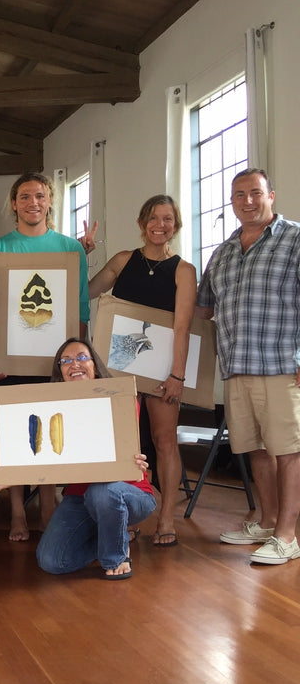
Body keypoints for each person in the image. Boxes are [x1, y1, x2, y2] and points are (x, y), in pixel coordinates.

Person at [0, 338, 156, 579]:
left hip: (127, 492)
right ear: (59, 371)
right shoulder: (53, 407)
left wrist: (134, 460)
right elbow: (44, 460)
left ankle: (116, 555)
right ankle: (111, 536)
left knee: (102, 493)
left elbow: (121, 455)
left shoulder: (119, 398)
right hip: (80, 497)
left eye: (82, 357)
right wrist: (3, 480)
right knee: (52, 560)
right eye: (66, 361)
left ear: (94, 365)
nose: (75, 364)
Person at [0, 171, 91, 541]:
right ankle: (16, 514)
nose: (33, 203)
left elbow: (79, 309)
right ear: (14, 203)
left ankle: (48, 509)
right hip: (9, 361)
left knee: (51, 430)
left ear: (50, 202)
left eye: (40, 196)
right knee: (16, 433)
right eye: (25, 197)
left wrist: (83, 362)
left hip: (57, 360)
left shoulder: (70, 249)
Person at [197, 168, 300, 565]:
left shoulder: (294, 239)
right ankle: (267, 521)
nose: (248, 201)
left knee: (289, 451)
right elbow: (202, 310)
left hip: (282, 365)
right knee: (256, 449)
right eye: (239, 195)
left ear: (271, 195)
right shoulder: (221, 253)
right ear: (232, 201)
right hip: (236, 368)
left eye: (255, 193)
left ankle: (288, 537)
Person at [89, 195, 197, 547]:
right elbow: (85, 291)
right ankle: (128, 514)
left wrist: (177, 376)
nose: (159, 224)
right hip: (118, 368)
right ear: (141, 222)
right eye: (153, 217)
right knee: (124, 443)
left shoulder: (184, 270)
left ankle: (166, 517)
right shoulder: (122, 261)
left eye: (167, 219)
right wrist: (81, 255)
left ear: (176, 225)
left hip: (164, 370)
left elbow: (183, 328)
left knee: (165, 441)